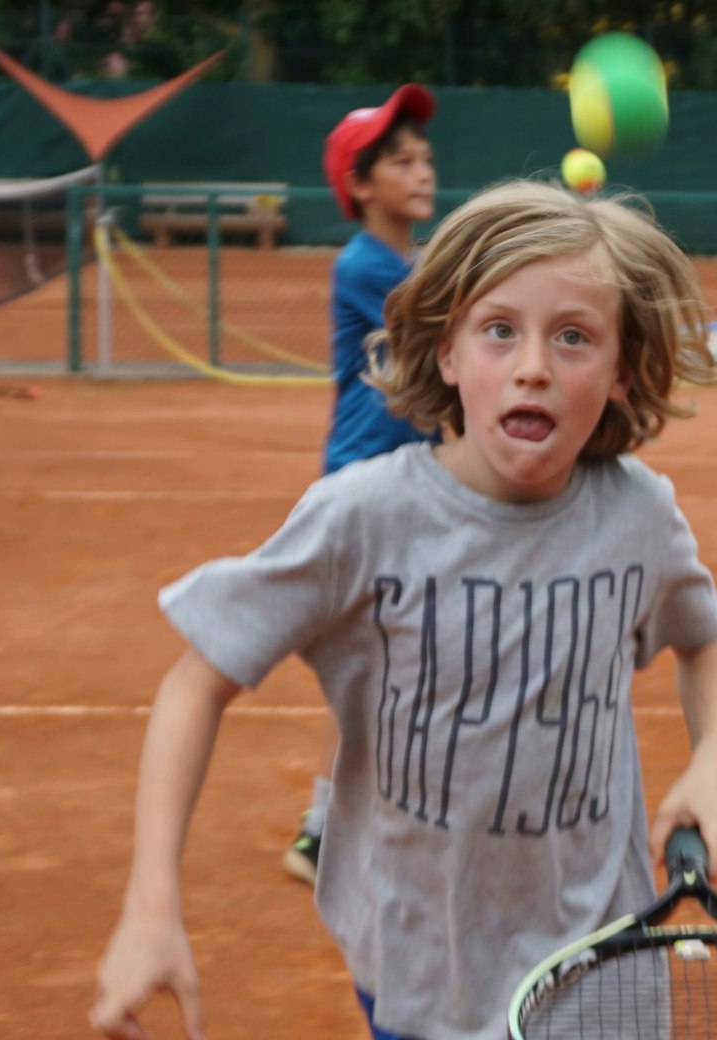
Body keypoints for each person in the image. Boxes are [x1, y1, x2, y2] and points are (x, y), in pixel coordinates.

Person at [89, 180, 717, 1040]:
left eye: (573, 337)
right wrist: (151, 903)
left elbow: (709, 645)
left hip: (579, 967)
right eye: (499, 331)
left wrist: (712, 760)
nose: (532, 367)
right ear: (443, 349)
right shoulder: (364, 518)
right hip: (406, 952)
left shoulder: (636, 516)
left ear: (621, 371)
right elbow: (197, 682)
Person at [286, 83, 442, 885]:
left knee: (383, 664)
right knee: (381, 664)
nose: (422, 171)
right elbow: (449, 328)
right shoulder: (366, 266)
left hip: (410, 484)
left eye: (424, 158)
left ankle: (327, 826)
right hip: (367, 486)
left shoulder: (410, 263)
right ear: (359, 185)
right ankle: (326, 830)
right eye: (401, 162)